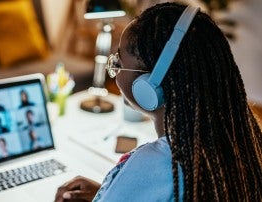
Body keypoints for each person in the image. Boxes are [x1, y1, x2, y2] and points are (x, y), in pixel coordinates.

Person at [55, 3, 262, 202]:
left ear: (150, 85)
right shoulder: (243, 143)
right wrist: (107, 192)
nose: (114, 71)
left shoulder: (153, 165)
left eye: (118, 63)